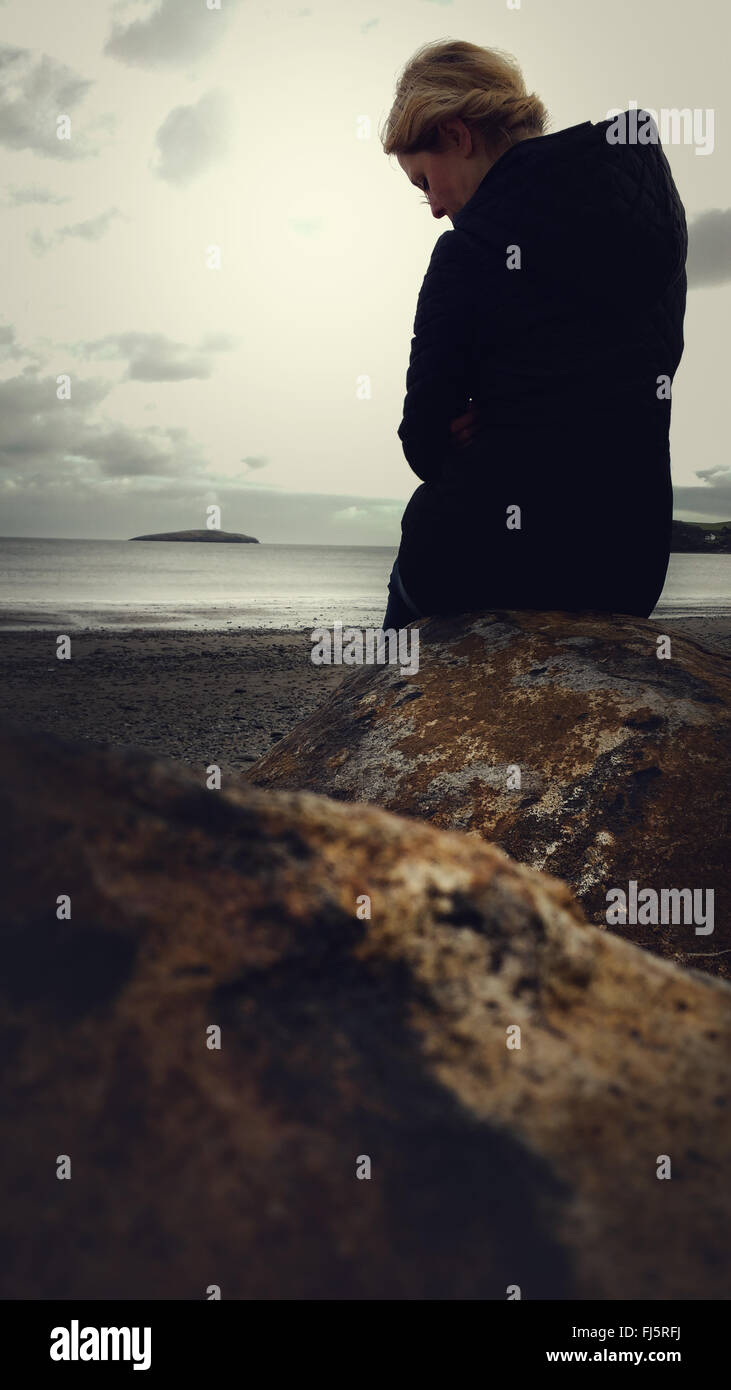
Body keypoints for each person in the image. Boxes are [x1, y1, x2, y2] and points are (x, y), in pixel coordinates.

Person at [379, 41, 688, 631]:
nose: (435, 207)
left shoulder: (468, 252)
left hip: (488, 560)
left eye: (424, 181)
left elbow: (423, 441)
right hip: (627, 564)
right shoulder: (655, 220)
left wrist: (479, 416)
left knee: (399, 672)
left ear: (456, 134)